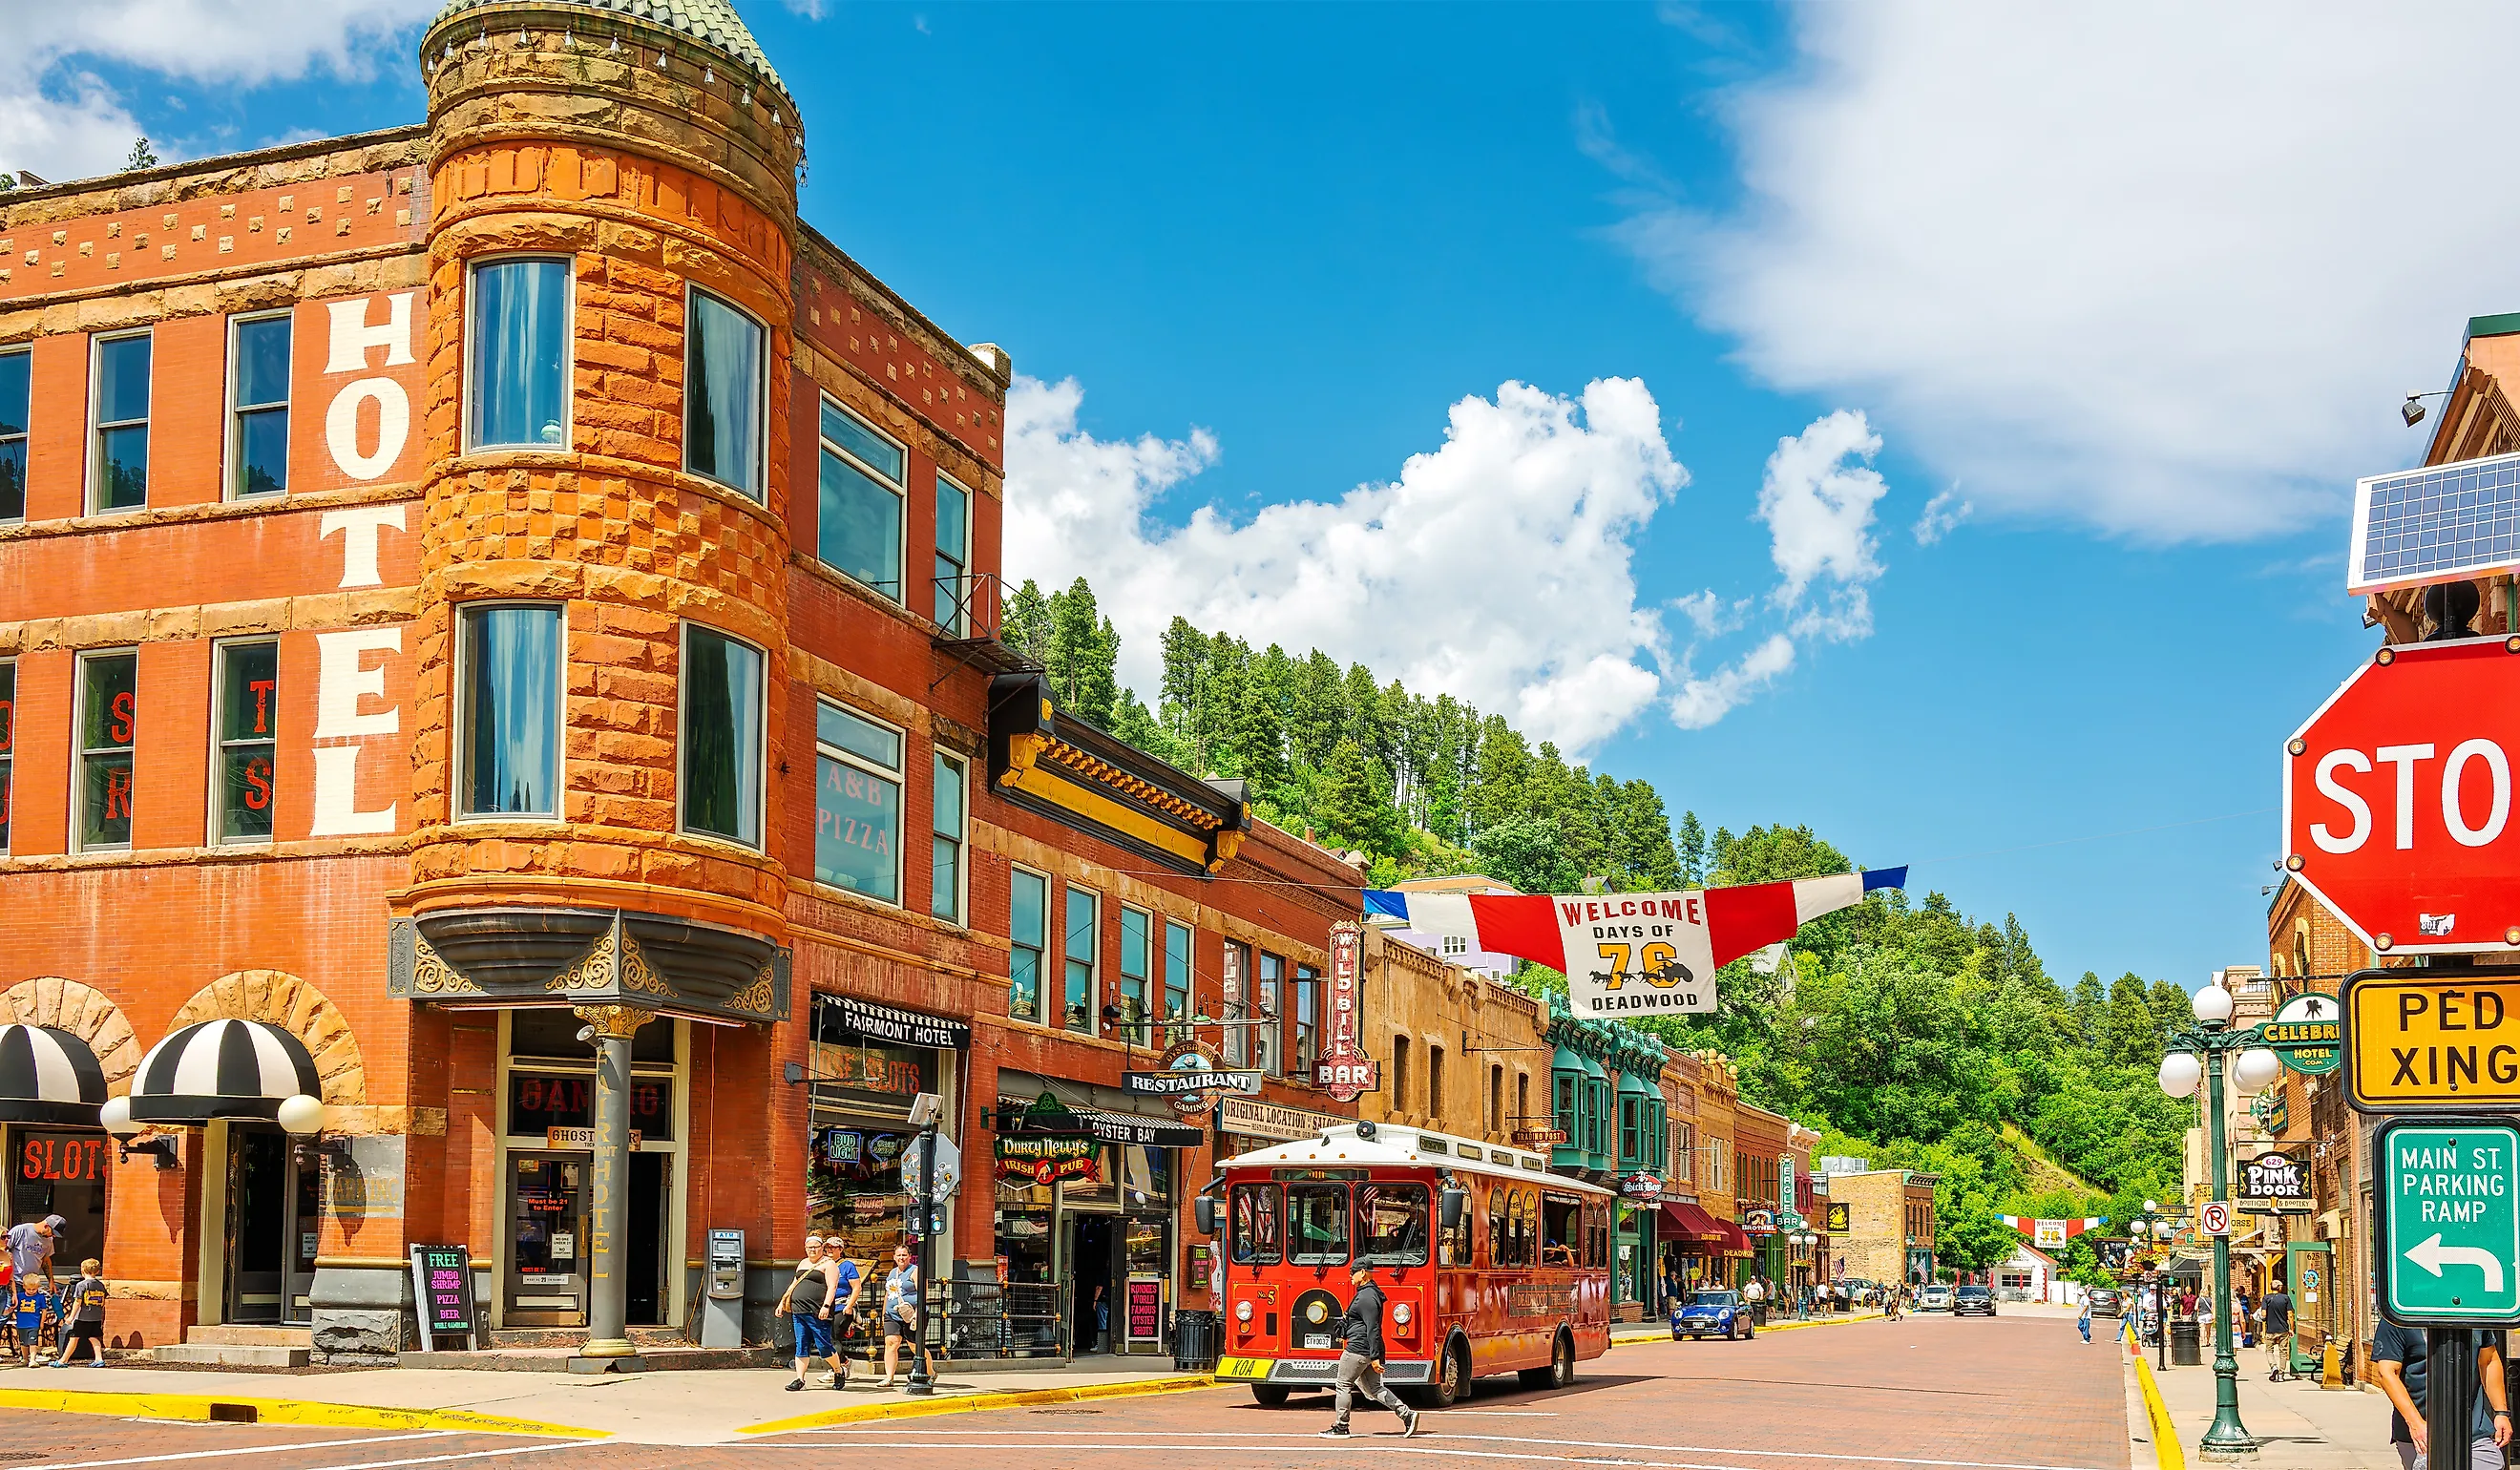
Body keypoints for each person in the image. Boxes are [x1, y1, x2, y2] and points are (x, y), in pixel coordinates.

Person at [2373, 1322, 2510, 1470]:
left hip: (2473, 1431)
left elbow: (2488, 1359)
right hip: (2421, 1436)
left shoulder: (2472, 1310)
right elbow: (2386, 1373)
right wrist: (2416, 1424)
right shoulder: (2399, 1315)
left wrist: (2501, 1412)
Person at [1319, 1264, 1418, 1438]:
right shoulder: (1371, 1293)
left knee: (1343, 1384)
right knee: (1375, 1388)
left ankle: (1341, 1427)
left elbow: (1373, 1328)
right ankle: (1407, 1414)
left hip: (1358, 1348)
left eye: (1352, 1273)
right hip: (1366, 1348)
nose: (1350, 1276)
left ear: (1363, 1273)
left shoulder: (1366, 1297)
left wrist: (1375, 1357)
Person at [777, 1234, 843, 1393]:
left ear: (822, 1248)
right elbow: (794, 1284)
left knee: (823, 1346)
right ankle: (800, 1379)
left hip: (817, 1311)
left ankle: (838, 1371)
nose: (812, 1250)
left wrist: (826, 1306)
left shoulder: (829, 1264)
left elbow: (832, 1286)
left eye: (816, 1247)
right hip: (798, 1310)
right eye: (809, 1247)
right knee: (801, 1344)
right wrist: (782, 1303)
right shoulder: (803, 1263)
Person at [42, 1260, 105, 1368]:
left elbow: (78, 1301)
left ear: (82, 1270)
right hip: (95, 1317)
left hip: (82, 1317)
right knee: (94, 1337)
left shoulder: (81, 1285)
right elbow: (102, 1302)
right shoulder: (100, 1285)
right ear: (98, 1271)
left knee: (73, 1338)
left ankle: (63, 1361)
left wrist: (71, 1316)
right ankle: (99, 1359)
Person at [880, 1244, 925, 1388]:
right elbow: (888, 1294)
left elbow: (922, 1293)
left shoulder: (915, 1271)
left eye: (904, 1255)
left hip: (910, 1314)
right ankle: (889, 1377)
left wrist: (918, 1313)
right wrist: (884, 1313)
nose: (901, 1258)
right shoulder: (892, 1273)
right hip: (892, 1314)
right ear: (894, 1257)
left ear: (909, 1257)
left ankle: (929, 1372)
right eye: (898, 1255)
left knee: (915, 1346)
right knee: (891, 1343)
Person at [6, 1217, 60, 1289]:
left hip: (32, 1284)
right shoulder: (20, 1230)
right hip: (14, 1281)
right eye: (52, 1233)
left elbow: (46, 1260)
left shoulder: (49, 1241)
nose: (53, 1236)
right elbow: (3, 1250)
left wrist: (51, 1281)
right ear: (46, 1226)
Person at [12, 1270, 49, 1367]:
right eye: (29, 1289)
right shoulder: (19, 1296)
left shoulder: (40, 1297)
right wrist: (14, 1316)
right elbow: (13, 1307)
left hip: (34, 1324)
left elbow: (44, 1310)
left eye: (34, 1289)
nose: (31, 1291)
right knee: (23, 1343)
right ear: (24, 1286)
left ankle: (33, 1359)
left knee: (33, 1342)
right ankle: (24, 1359)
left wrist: (42, 1322)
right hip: (22, 1324)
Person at [2260, 1286, 2296, 1381]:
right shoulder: (2285, 1298)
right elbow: (2290, 1315)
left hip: (2270, 1329)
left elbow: (2263, 1314)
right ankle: (2281, 1374)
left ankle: (2273, 1367)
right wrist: (2291, 1328)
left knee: (2269, 1350)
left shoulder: (2266, 1298)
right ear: (2280, 1288)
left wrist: (2264, 1319)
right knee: (2283, 1352)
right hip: (2283, 1329)